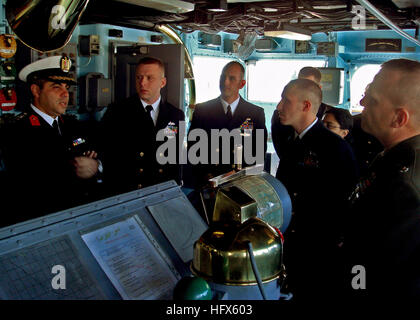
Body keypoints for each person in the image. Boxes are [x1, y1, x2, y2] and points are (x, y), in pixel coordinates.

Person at [275, 79, 359, 300]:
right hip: (291, 245)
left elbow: (343, 206)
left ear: (306, 106)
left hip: (318, 252)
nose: (279, 106)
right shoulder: (293, 143)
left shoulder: (336, 149)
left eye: (286, 100)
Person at [346, 59, 420, 299]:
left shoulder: (406, 187)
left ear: (399, 119)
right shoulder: (390, 158)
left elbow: (384, 272)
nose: (362, 102)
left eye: (373, 100)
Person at [2, 55, 101, 224]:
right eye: (56, 87)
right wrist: (76, 168)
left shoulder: (72, 125)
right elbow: (31, 182)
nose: (65, 93)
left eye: (66, 87)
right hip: (42, 221)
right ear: (36, 90)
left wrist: (96, 165)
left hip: (79, 215)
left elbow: (96, 150)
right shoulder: (16, 131)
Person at [100, 57, 185, 195]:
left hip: (161, 191)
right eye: (139, 77)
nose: (142, 83)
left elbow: (175, 157)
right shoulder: (118, 111)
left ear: (162, 82)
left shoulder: (175, 115)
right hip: (129, 191)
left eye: (149, 78)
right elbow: (104, 148)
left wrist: (176, 187)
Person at [187, 61, 267, 189]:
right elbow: (193, 150)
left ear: (242, 84)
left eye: (231, 78)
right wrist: (208, 176)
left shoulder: (255, 113)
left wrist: (238, 174)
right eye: (223, 77)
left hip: (241, 184)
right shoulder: (203, 110)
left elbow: (258, 155)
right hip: (209, 183)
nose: (225, 82)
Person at [271, 66, 331, 158]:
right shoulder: (279, 116)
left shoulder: (331, 116)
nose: (302, 87)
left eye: (307, 84)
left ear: (318, 87)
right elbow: (282, 152)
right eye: (299, 83)